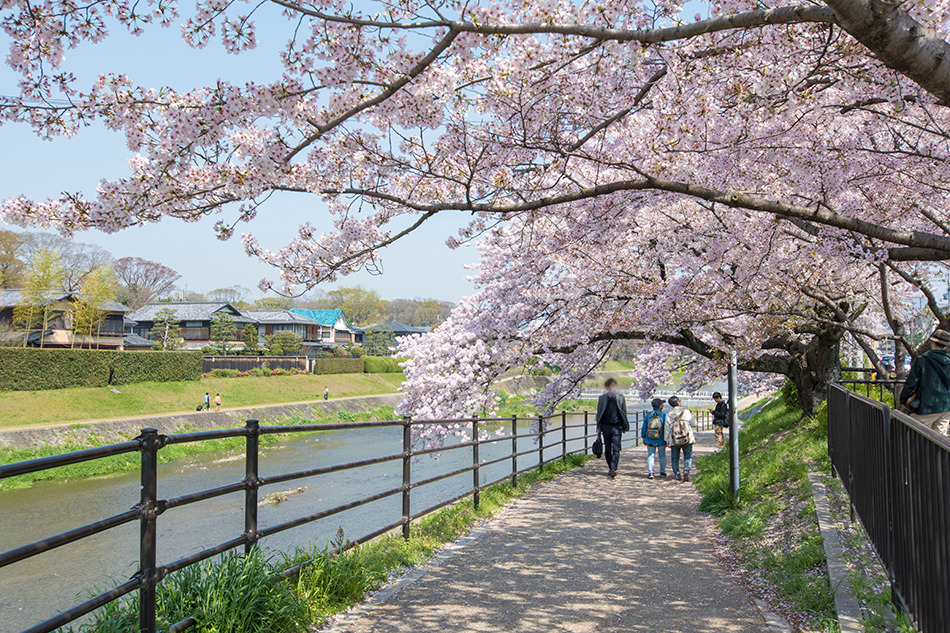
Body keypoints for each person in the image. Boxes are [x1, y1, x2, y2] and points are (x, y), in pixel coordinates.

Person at [900, 329, 950, 435]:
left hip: (926, 406)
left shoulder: (922, 360)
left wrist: (903, 400)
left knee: (917, 436)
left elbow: (910, 383)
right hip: (945, 406)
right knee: (941, 440)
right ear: (945, 346)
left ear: (932, 342)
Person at [595, 378, 630, 478]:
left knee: (616, 448)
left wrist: (624, 426)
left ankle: (614, 468)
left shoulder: (620, 397)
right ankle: (610, 467)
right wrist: (598, 428)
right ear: (607, 388)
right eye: (612, 386)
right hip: (606, 426)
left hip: (617, 426)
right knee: (607, 449)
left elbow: (624, 412)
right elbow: (599, 413)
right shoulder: (602, 398)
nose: (614, 387)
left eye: (615, 385)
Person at [664, 396, 696, 482]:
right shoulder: (686, 412)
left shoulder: (668, 415)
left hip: (674, 439)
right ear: (678, 403)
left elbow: (667, 429)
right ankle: (686, 470)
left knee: (675, 457)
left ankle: (677, 474)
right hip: (687, 438)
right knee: (688, 456)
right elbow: (694, 424)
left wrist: (666, 440)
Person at [641, 398, 667, 479]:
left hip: (650, 438)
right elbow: (666, 428)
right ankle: (662, 471)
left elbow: (644, 427)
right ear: (660, 406)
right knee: (662, 455)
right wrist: (667, 439)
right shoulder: (663, 415)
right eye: (662, 404)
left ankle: (651, 472)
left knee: (650, 455)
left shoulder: (648, 415)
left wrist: (643, 437)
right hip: (661, 438)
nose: (663, 405)